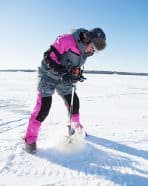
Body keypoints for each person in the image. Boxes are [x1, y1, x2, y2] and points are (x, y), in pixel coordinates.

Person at [24, 27, 106, 153]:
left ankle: (75, 128)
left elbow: (73, 65)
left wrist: (76, 73)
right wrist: (62, 72)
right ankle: (30, 139)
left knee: (74, 103)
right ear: (88, 39)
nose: (93, 51)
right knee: (43, 108)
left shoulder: (86, 52)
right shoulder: (67, 40)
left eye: (95, 49)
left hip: (64, 81)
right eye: (93, 46)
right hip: (48, 76)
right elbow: (48, 57)